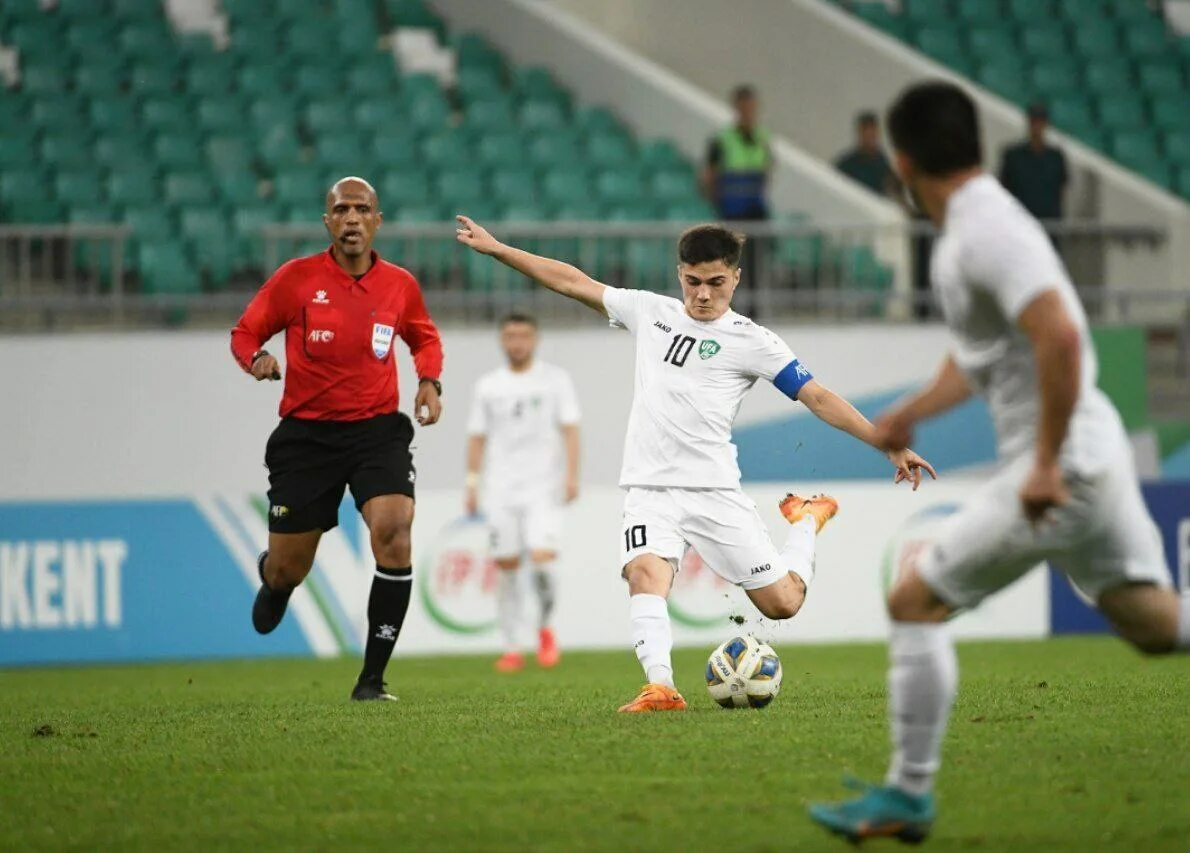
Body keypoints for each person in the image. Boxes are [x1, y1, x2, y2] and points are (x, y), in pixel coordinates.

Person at [809, 82, 1188, 845]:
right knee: (1150, 623)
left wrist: (1044, 463)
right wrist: (914, 411)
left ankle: (908, 794)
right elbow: (989, 352)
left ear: (903, 161)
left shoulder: (981, 234)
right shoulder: (978, 228)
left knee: (912, 600)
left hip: (1063, 466)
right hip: (1091, 449)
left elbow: (1061, 338)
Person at [455, 215, 936, 713]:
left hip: (712, 492)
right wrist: (499, 250)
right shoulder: (650, 312)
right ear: (679, 274)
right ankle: (661, 687)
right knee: (644, 574)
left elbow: (816, 396)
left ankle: (807, 521)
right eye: (692, 282)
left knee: (783, 604)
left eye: (715, 283)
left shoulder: (754, 341)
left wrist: (888, 444)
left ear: (736, 278)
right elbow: (573, 281)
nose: (703, 295)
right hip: (649, 488)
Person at [229, 176, 444, 702]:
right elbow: (244, 332)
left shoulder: (399, 285)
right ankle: (274, 577)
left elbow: (424, 336)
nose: (351, 218)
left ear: (377, 221)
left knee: (394, 531)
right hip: (308, 438)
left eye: (361, 209)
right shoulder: (296, 279)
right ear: (327, 222)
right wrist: (256, 359)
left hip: (377, 431)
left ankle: (371, 680)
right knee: (290, 567)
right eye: (341, 209)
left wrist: (430, 381)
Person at [464, 313, 581, 672]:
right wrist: (472, 483)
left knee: (543, 561)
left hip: (542, 487)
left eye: (524, 336)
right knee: (507, 567)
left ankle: (545, 627)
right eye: (511, 336)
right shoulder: (488, 385)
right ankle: (511, 645)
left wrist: (572, 476)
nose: (517, 342)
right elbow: (477, 436)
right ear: (502, 340)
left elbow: (570, 428)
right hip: (500, 488)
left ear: (535, 339)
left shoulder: (555, 380)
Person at [702, 84, 772, 221]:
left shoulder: (763, 137)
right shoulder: (722, 139)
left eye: (751, 107)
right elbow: (709, 174)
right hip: (731, 206)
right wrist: (717, 201)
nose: (748, 112)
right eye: (744, 107)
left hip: (755, 204)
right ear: (736, 108)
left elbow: (767, 168)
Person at [998, 102, 1068, 228]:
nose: (1037, 126)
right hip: (1020, 222)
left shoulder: (1056, 157)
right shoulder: (1013, 156)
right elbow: (1005, 188)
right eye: (1034, 121)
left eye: (1040, 121)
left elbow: (1061, 188)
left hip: (1050, 225)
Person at [834, 111, 897, 199]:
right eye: (865, 130)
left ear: (877, 133)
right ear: (859, 132)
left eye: (872, 131)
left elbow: (891, 197)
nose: (869, 135)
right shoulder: (846, 165)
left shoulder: (885, 169)